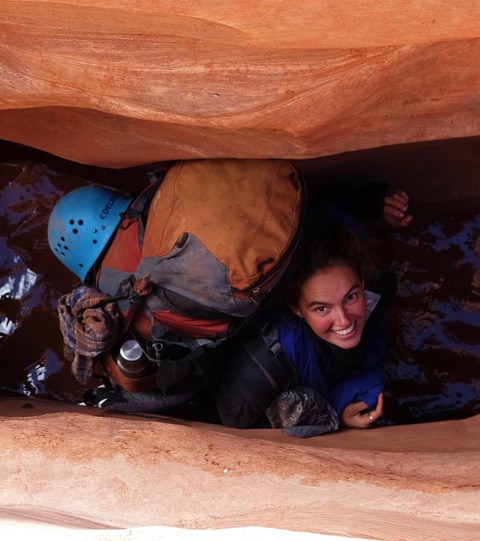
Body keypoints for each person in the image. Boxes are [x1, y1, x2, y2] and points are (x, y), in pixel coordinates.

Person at [215, 187, 412, 437]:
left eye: (350, 296)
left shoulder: (378, 287)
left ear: (362, 282)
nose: (343, 319)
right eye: (322, 308)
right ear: (296, 308)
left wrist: (378, 203)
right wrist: (329, 417)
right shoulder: (261, 366)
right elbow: (233, 426)